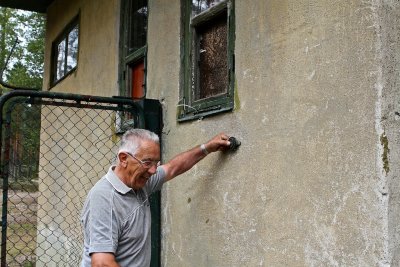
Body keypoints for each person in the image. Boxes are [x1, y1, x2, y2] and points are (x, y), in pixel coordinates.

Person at [80, 129, 231, 267]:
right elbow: (101, 263)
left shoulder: (140, 182)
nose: (153, 170)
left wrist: (207, 148)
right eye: (147, 162)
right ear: (124, 158)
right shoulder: (104, 198)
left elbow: (172, 168)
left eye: (156, 163)